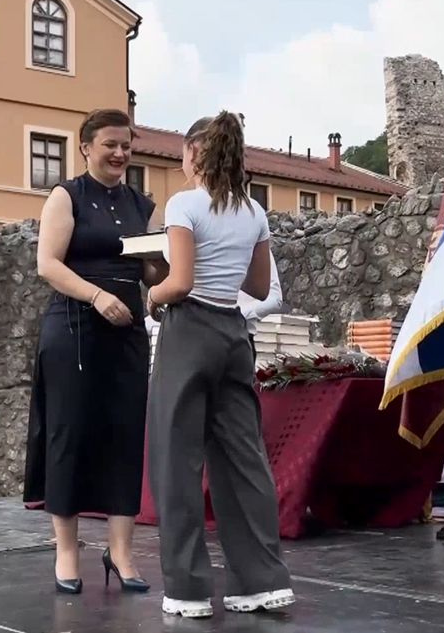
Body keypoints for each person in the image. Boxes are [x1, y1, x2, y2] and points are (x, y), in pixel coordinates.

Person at [146, 111, 293, 619]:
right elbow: (258, 287)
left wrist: (152, 294)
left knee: (177, 460)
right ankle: (262, 581)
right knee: (244, 459)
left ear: (193, 153)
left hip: (189, 329)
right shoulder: (253, 211)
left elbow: (181, 282)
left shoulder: (184, 204)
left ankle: (187, 589)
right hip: (234, 334)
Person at [23, 109, 159, 595]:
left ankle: (120, 552)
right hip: (73, 327)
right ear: (86, 147)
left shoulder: (144, 205)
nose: (120, 153)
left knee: (125, 434)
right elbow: (47, 264)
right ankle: (66, 551)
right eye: (110, 145)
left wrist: (168, 262)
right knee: (69, 433)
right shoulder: (67, 195)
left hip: (126, 331)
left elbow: (151, 274)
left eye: (126, 146)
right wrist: (97, 296)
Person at [238, 250, 283, 361]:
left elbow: (274, 298)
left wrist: (238, 314)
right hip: (203, 337)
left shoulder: (254, 244)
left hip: (241, 339)